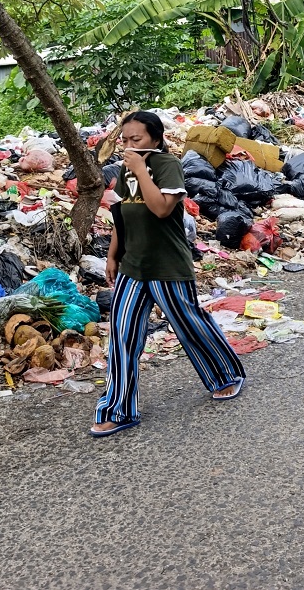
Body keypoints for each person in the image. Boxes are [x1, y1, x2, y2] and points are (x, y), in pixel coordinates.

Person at [91, 111, 245, 438]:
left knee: (188, 321)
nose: (128, 145)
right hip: (134, 266)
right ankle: (118, 409)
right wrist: (112, 255)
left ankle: (225, 375)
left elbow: (161, 208)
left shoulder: (166, 166)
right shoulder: (126, 170)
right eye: (125, 140)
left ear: (156, 140)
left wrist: (139, 170)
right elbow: (124, 217)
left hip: (167, 266)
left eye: (137, 140)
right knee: (122, 334)